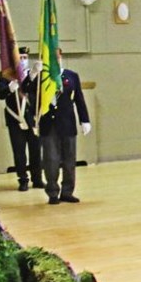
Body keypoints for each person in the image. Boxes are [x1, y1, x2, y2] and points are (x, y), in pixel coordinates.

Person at [40, 47, 91, 205]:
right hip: (48, 124)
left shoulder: (71, 76)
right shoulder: (42, 77)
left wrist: (85, 120)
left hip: (67, 123)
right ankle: (53, 192)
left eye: (57, 56)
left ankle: (67, 191)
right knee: (51, 160)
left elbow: (79, 99)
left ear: (61, 56)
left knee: (69, 160)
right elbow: (30, 96)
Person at [0, 46, 43, 191]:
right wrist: (9, 88)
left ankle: (37, 179)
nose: (23, 60)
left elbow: (39, 93)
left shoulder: (34, 74)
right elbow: (0, 94)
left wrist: (35, 74)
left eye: (25, 58)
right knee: (19, 152)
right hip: (15, 119)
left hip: (32, 119)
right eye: (20, 57)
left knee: (35, 151)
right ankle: (23, 180)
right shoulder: (7, 75)